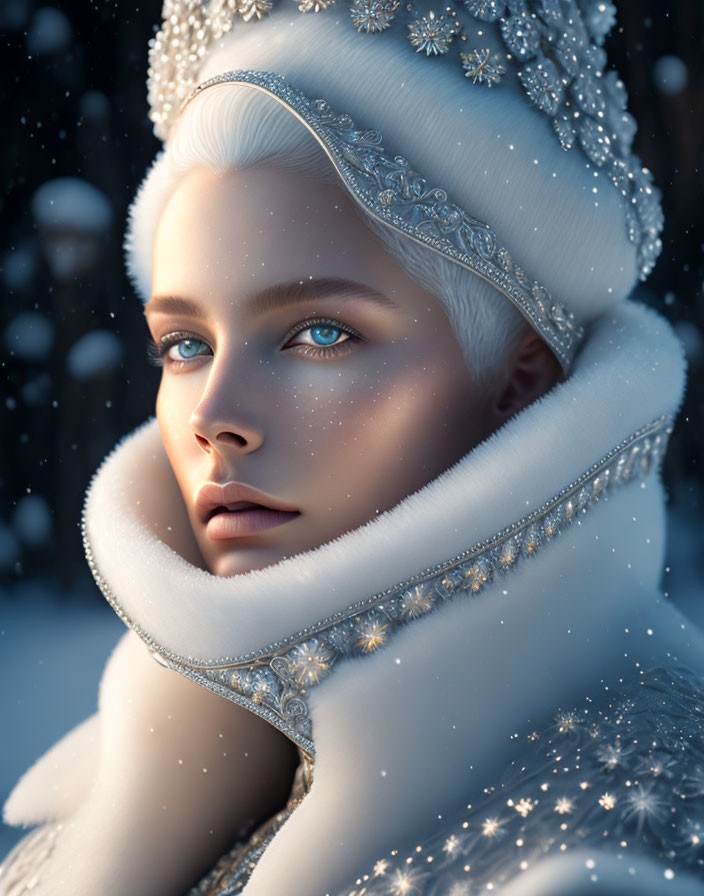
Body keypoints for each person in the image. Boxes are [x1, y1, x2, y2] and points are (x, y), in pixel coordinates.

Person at [2, 1, 703, 894]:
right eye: (185, 345)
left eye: (319, 334)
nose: (214, 414)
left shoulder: (619, 846)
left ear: (520, 378)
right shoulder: (115, 788)